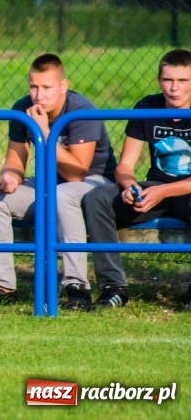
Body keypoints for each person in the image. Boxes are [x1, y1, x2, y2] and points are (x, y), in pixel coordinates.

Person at [0, 53, 116, 310]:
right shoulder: (23, 109)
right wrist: (10, 176)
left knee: (64, 194)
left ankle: (77, 287)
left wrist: (45, 132)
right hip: (49, 184)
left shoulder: (83, 111)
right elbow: (15, 160)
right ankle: (1, 286)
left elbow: (77, 173)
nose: (38, 95)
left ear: (63, 87)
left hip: (93, 184)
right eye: (33, 86)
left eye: (46, 87)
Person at [83, 48, 191, 310]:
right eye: (168, 80)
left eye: (182, 81)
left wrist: (165, 192)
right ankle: (113, 288)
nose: (174, 88)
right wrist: (129, 185)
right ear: (159, 80)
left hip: (183, 191)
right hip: (155, 187)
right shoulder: (146, 107)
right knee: (97, 198)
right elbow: (125, 166)